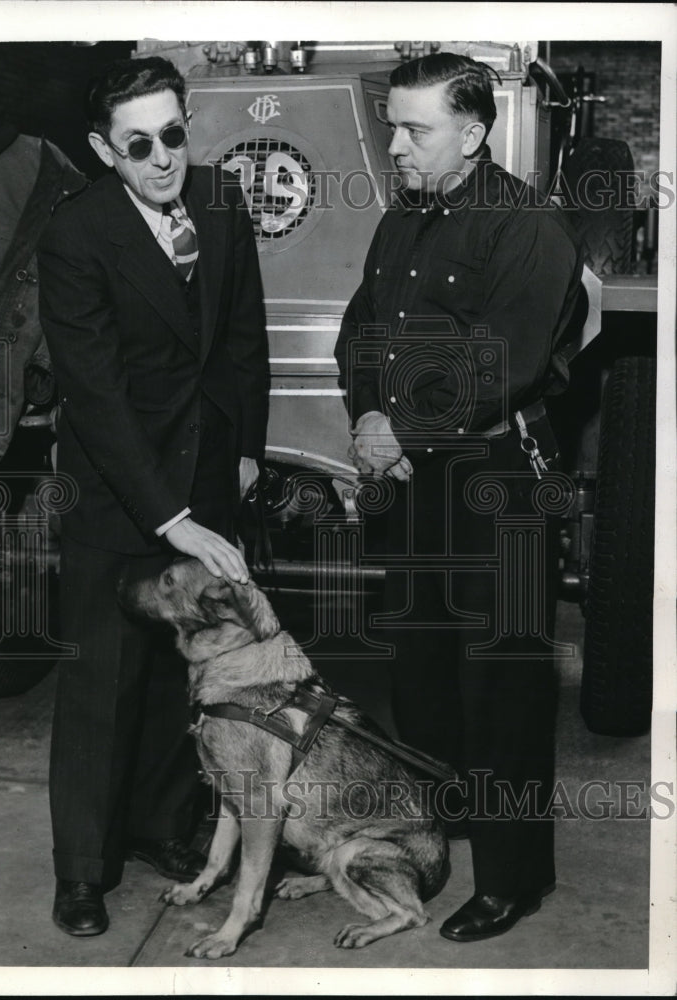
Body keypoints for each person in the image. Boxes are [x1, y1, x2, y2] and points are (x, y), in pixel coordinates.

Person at [334, 53, 583, 942]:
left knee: (506, 689)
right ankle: (442, 840)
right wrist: (368, 414)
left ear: (472, 133)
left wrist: (399, 428)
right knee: (424, 675)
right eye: (393, 126)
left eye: (415, 130)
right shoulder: (405, 218)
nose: (395, 146)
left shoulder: (528, 225)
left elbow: (504, 360)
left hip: (498, 488)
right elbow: (361, 329)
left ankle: (516, 879)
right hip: (412, 485)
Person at [37, 56, 269, 937]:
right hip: (120, 490)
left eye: (175, 133)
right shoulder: (76, 234)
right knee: (103, 683)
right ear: (104, 149)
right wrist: (166, 515)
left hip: (209, 477)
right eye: (140, 145)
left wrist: (245, 452)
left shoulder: (219, 201)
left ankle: (156, 826)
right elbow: (93, 394)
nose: (165, 158)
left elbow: (242, 337)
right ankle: (84, 872)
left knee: (190, 675)